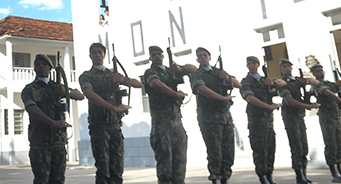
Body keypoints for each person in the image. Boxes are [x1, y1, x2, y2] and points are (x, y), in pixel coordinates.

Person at [79, 42, 143, 184]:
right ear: (90, 56)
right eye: (94, 52)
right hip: (99, 126)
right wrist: (113, 107)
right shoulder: (87, 76)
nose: (97, 55)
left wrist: (122, 80)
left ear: (104, 55)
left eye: (99, 52)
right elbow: (89, 93)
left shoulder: (112, 75)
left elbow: (138, 84)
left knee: (117, 168)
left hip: (115, 126)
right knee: (103, 169)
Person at [21, 54, 84, 184]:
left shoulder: (58, 87)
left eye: (44, 64)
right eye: (37, 64)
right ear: (34, 68)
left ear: (50, 68)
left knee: (58, 179)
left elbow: (80, 96)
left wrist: (66, 92)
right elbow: (32, 109)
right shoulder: (29, 89)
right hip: (40, 143)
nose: (40, 66)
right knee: (42, 180)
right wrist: (53, 122)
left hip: (58, 143)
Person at [143, 45, 195, 184]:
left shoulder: (170, 71)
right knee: (165, 166)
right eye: (154, 55)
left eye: (159, 54)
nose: (157, 56)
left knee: (180, 162)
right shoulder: (150, 72)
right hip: (161, 123)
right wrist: (175, 94)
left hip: (177, 121)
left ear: (163, 55)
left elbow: (194, 69)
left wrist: (180, 69)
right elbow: (155, 83)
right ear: (150, 58)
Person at [189, 47, 241, 184]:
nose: (202, 57)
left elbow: (238, 84)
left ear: (210, 57)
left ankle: (225, 178)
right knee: (215, 151)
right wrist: (221, 98)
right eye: (199, 56)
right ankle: (216, 178)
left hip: (225, 116)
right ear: (197, 59)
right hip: (209, 118)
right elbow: (201, 89)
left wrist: (228, 77)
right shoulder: (196, 74)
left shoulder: (219, 72)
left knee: (228, 151)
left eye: (205, 55)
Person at [276, 58, 320, 184]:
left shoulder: (297, 80)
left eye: (289, 66)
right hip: (291, 117)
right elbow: (290, 101)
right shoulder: (282, 82)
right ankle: (299, 176)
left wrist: (307, 81)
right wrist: (309, 106)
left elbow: (315, 82)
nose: (287, 69)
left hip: (299, 117)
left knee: (304, 147)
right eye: (284, 67)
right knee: (296, 147)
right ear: (281, 69)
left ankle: (304, 174)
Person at [239, 56, 281, 184]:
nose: (251, 65)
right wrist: (269, 106)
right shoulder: (246, 81)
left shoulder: (265, 80)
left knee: (270, 150)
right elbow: (250, 98)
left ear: (258, 65)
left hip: (268, 122)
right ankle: (262, 177)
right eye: (249, 64)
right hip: (256, 122)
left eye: (253, 63)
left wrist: (274, 83)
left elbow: (284, 85)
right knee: (260, 151)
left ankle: (269, 175)